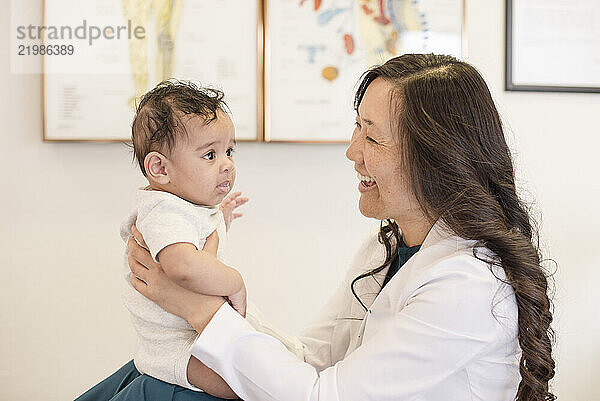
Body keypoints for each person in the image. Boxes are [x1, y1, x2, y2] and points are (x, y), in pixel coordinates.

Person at [79, 54, 556, 401]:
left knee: (154, 391)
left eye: (372, 136)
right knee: (146, 379)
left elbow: (324, 397)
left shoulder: (466, 283)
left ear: (436, 156)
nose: (352, 151)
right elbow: (312, 357)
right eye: (356, 128)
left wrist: (195, 306)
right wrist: (205, 320)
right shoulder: (387, 246)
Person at [76, 81, 249, 400]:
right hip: (175, 349)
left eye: (229, 151)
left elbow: (194, 243)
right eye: (210, 154)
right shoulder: (162, 211)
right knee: (242, 388)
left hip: (190, 336)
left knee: (252, 372)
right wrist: (234, 282)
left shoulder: (185, 207)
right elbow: (182, 264)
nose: (226, 164)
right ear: (159, 168)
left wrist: (219, 219)